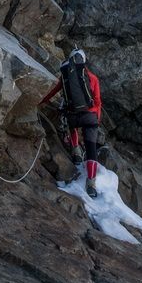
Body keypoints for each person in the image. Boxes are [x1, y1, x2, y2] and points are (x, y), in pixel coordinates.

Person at [39, 49, 101, 197]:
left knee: (71, 126)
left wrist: (42, 101)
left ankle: (76, 153)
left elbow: (54, 91)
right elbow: (98, 101)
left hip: (74, 116)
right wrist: (96, 118)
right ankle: (91, 184)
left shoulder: (67, 76)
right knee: (91, 148)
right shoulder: (92, 78)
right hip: (90, 116)